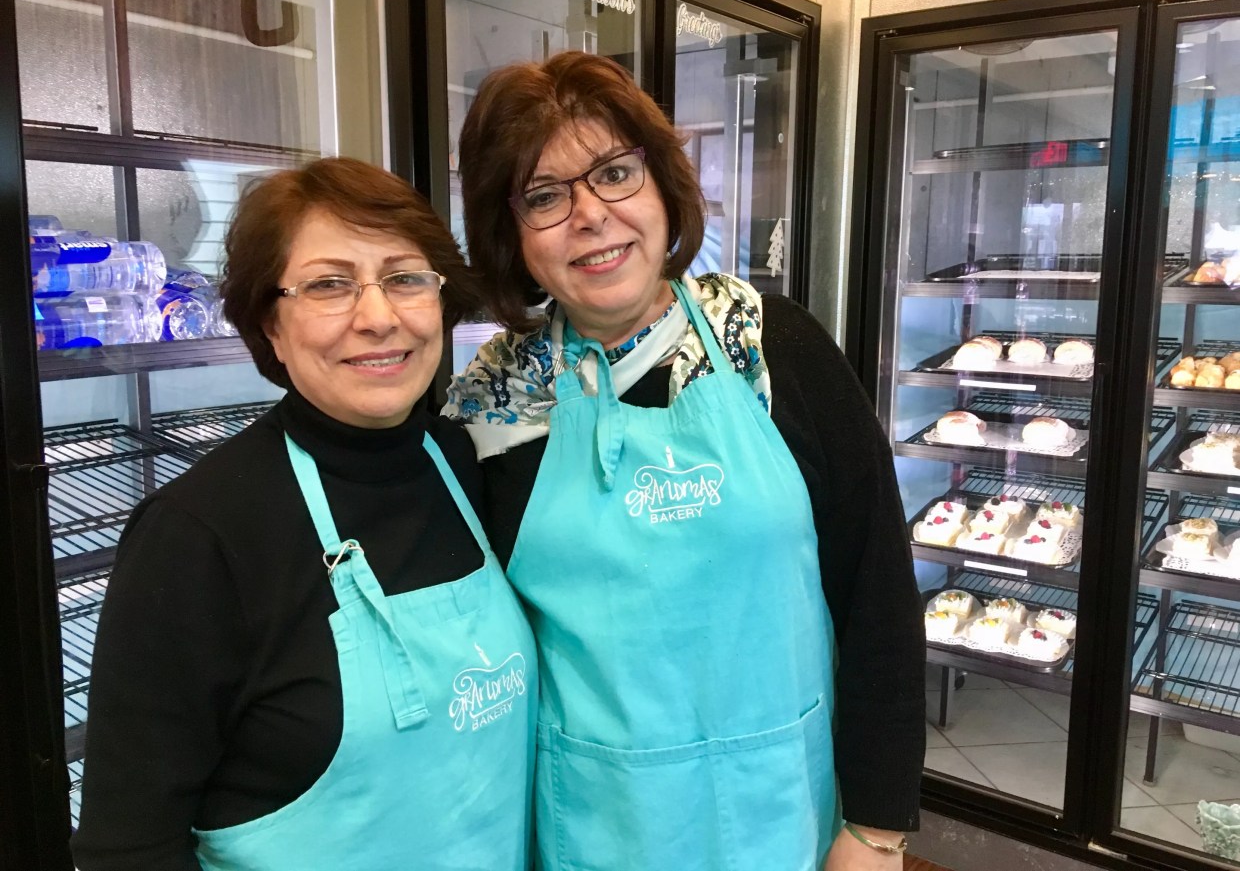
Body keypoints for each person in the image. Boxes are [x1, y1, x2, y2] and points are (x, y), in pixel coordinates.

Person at [444, 51, 925, 870]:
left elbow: (876, 589)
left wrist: (876, 826)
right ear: (512, 234)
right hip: (593, 826)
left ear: (664, 188)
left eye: (615, 173)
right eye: (545, 195)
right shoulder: (489, 407)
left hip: (784, 811)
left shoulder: (775, 348)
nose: (591, 215)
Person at [72, 158, 535, 871]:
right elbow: (128, 845)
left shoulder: (465, 460)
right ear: (271, 325)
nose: (378, 317)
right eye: (328, 284)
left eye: (405, 277)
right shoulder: (197, 538)